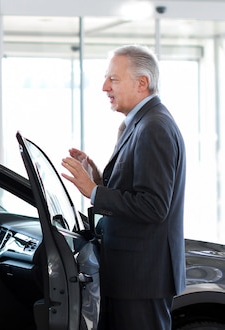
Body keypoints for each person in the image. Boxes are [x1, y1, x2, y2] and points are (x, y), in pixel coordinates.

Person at [60, 45, 186, 330]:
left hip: (141, 279)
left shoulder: (153, 126)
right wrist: (100, 178)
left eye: (113, 79)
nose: (105, 87)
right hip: (132, 276)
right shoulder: (140, 123)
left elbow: (154, 206)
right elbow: (136, 189)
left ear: (142, 83)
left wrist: (93, 191)